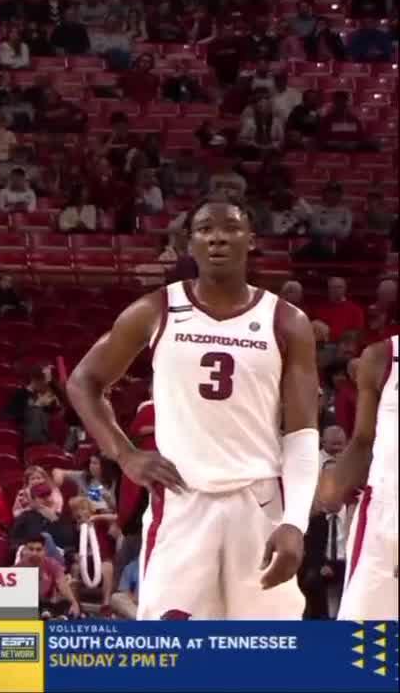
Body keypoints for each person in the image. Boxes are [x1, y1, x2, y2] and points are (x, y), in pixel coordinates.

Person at [66, 201, 319, 620]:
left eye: (231, 228)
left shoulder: (287, 321)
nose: (218, 238)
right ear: (189, 243)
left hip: (259, 502)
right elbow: (83, 382)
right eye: (205, 229)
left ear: (251, 241)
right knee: (171, 648)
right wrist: (125, 454)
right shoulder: (156, 310)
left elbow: (302, 433)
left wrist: (295, 522)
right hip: (182, 500)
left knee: (266, 649)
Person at [316, 335, 397, 621]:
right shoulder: (382, 356)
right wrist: (331, 491)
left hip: (387, 507)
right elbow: (363, 439)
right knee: (364, 629)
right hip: (386, 506)